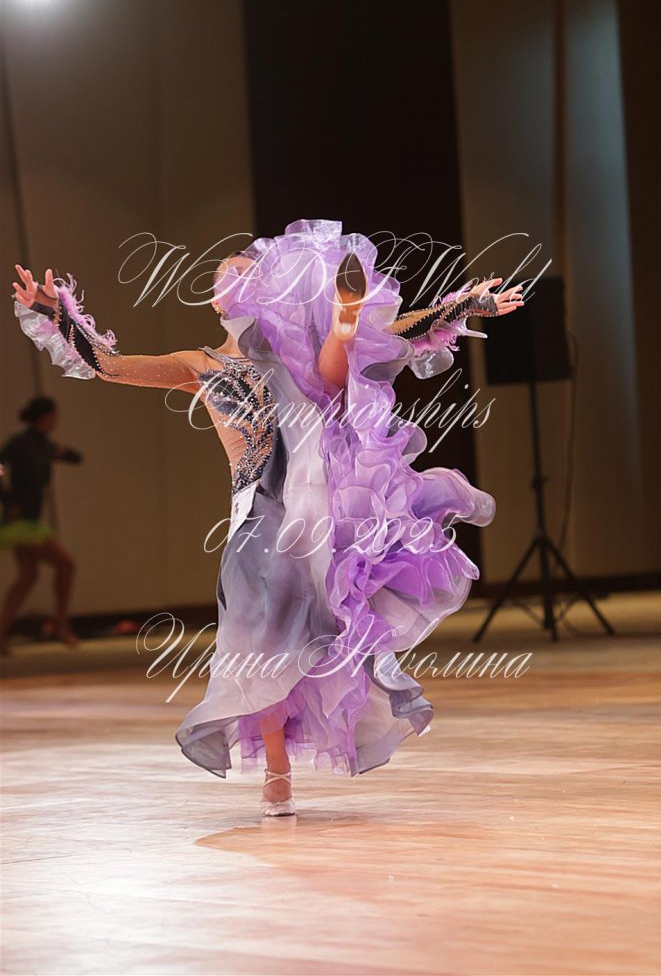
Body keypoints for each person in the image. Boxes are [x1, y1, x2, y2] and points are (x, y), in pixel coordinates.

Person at [11, 218, 523, 815]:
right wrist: (57, 314)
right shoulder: (199, 364)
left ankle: (343, 324)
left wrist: (464, 304)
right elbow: (109, 363)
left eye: (253, 274)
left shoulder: (290, 358)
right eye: (228, 276)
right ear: (214, 300)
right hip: (257, 517)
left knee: (336, 362)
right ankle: (277, 769)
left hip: (316, 506)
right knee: (260, 640)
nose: (240, 279)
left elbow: (394, 331)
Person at [0, 396, 82, 654]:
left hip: (31, 521)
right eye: (53, 416)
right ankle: (61, 625)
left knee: (27, 578)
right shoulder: (20, 443)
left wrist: (60, 452)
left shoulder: (45, 445)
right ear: (44, 416)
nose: (55, 420)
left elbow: (76, 457)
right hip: (21, 524)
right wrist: (8, 500)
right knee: (66, 565)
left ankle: (1, 633)